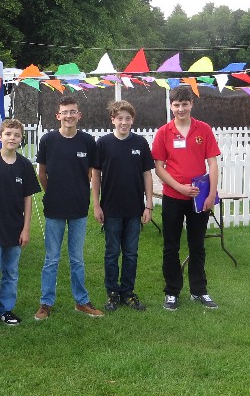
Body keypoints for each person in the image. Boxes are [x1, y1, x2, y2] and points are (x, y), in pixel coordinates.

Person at [34, 96, 104, 320]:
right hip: (54, 206)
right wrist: (53, 192)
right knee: (51, 259)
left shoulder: (87, 141)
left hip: (78, 207)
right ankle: (46, 303)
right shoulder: (48, 140)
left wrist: (81, 192)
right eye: (65, 112)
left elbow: (91, 173)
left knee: (77, 258)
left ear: (79, 115)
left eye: (73, 111)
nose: (69, 116)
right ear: (58, 116)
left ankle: (81, 301)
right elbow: (42, 174)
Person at [151, 86, 221, 311]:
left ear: (192, 104)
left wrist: (211, 194)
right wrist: (180, 187)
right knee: (171, 246)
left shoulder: (204, 130)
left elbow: (212, 163)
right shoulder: (163, 132)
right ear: (171, 106)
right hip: (173, 196)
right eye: (176, 105)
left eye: (185, 104)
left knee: (197, 245)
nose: (181, 108)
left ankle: (199, 291)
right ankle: (172, 292)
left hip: (199, 199)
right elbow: (159, 168)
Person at [0, 119, 41, 329]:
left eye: (16, 135)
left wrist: (26, 228)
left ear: (21, 139)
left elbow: (28, 199)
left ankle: (5, 309)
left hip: (15, 227)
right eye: (8, 134)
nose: (12, 138)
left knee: (11, 272)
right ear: (0, 136)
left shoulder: (24, 165)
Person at [91, 101, 154, 312]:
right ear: (112, 120)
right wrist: (96, 204)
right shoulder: (103, 144)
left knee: (131, 253)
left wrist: (149, 205)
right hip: (111, 209)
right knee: (111, 253)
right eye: (120, 118)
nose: (124, 122)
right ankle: (112, 293)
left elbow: (147, 174)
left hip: (134, 209)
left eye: (128, 118)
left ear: (132, 120)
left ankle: (128, 292)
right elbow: (96, 175)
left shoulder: (140, 143)